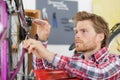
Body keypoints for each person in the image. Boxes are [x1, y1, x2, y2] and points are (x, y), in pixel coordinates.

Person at [23, 11, 120, 79]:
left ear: (100, 37)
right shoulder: (76, 60)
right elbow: (44, 73)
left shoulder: (116, 62)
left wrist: (48, 55)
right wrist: (41, 41)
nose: (77, 35)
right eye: (76, 31)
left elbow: (99, 74)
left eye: (84, 31)